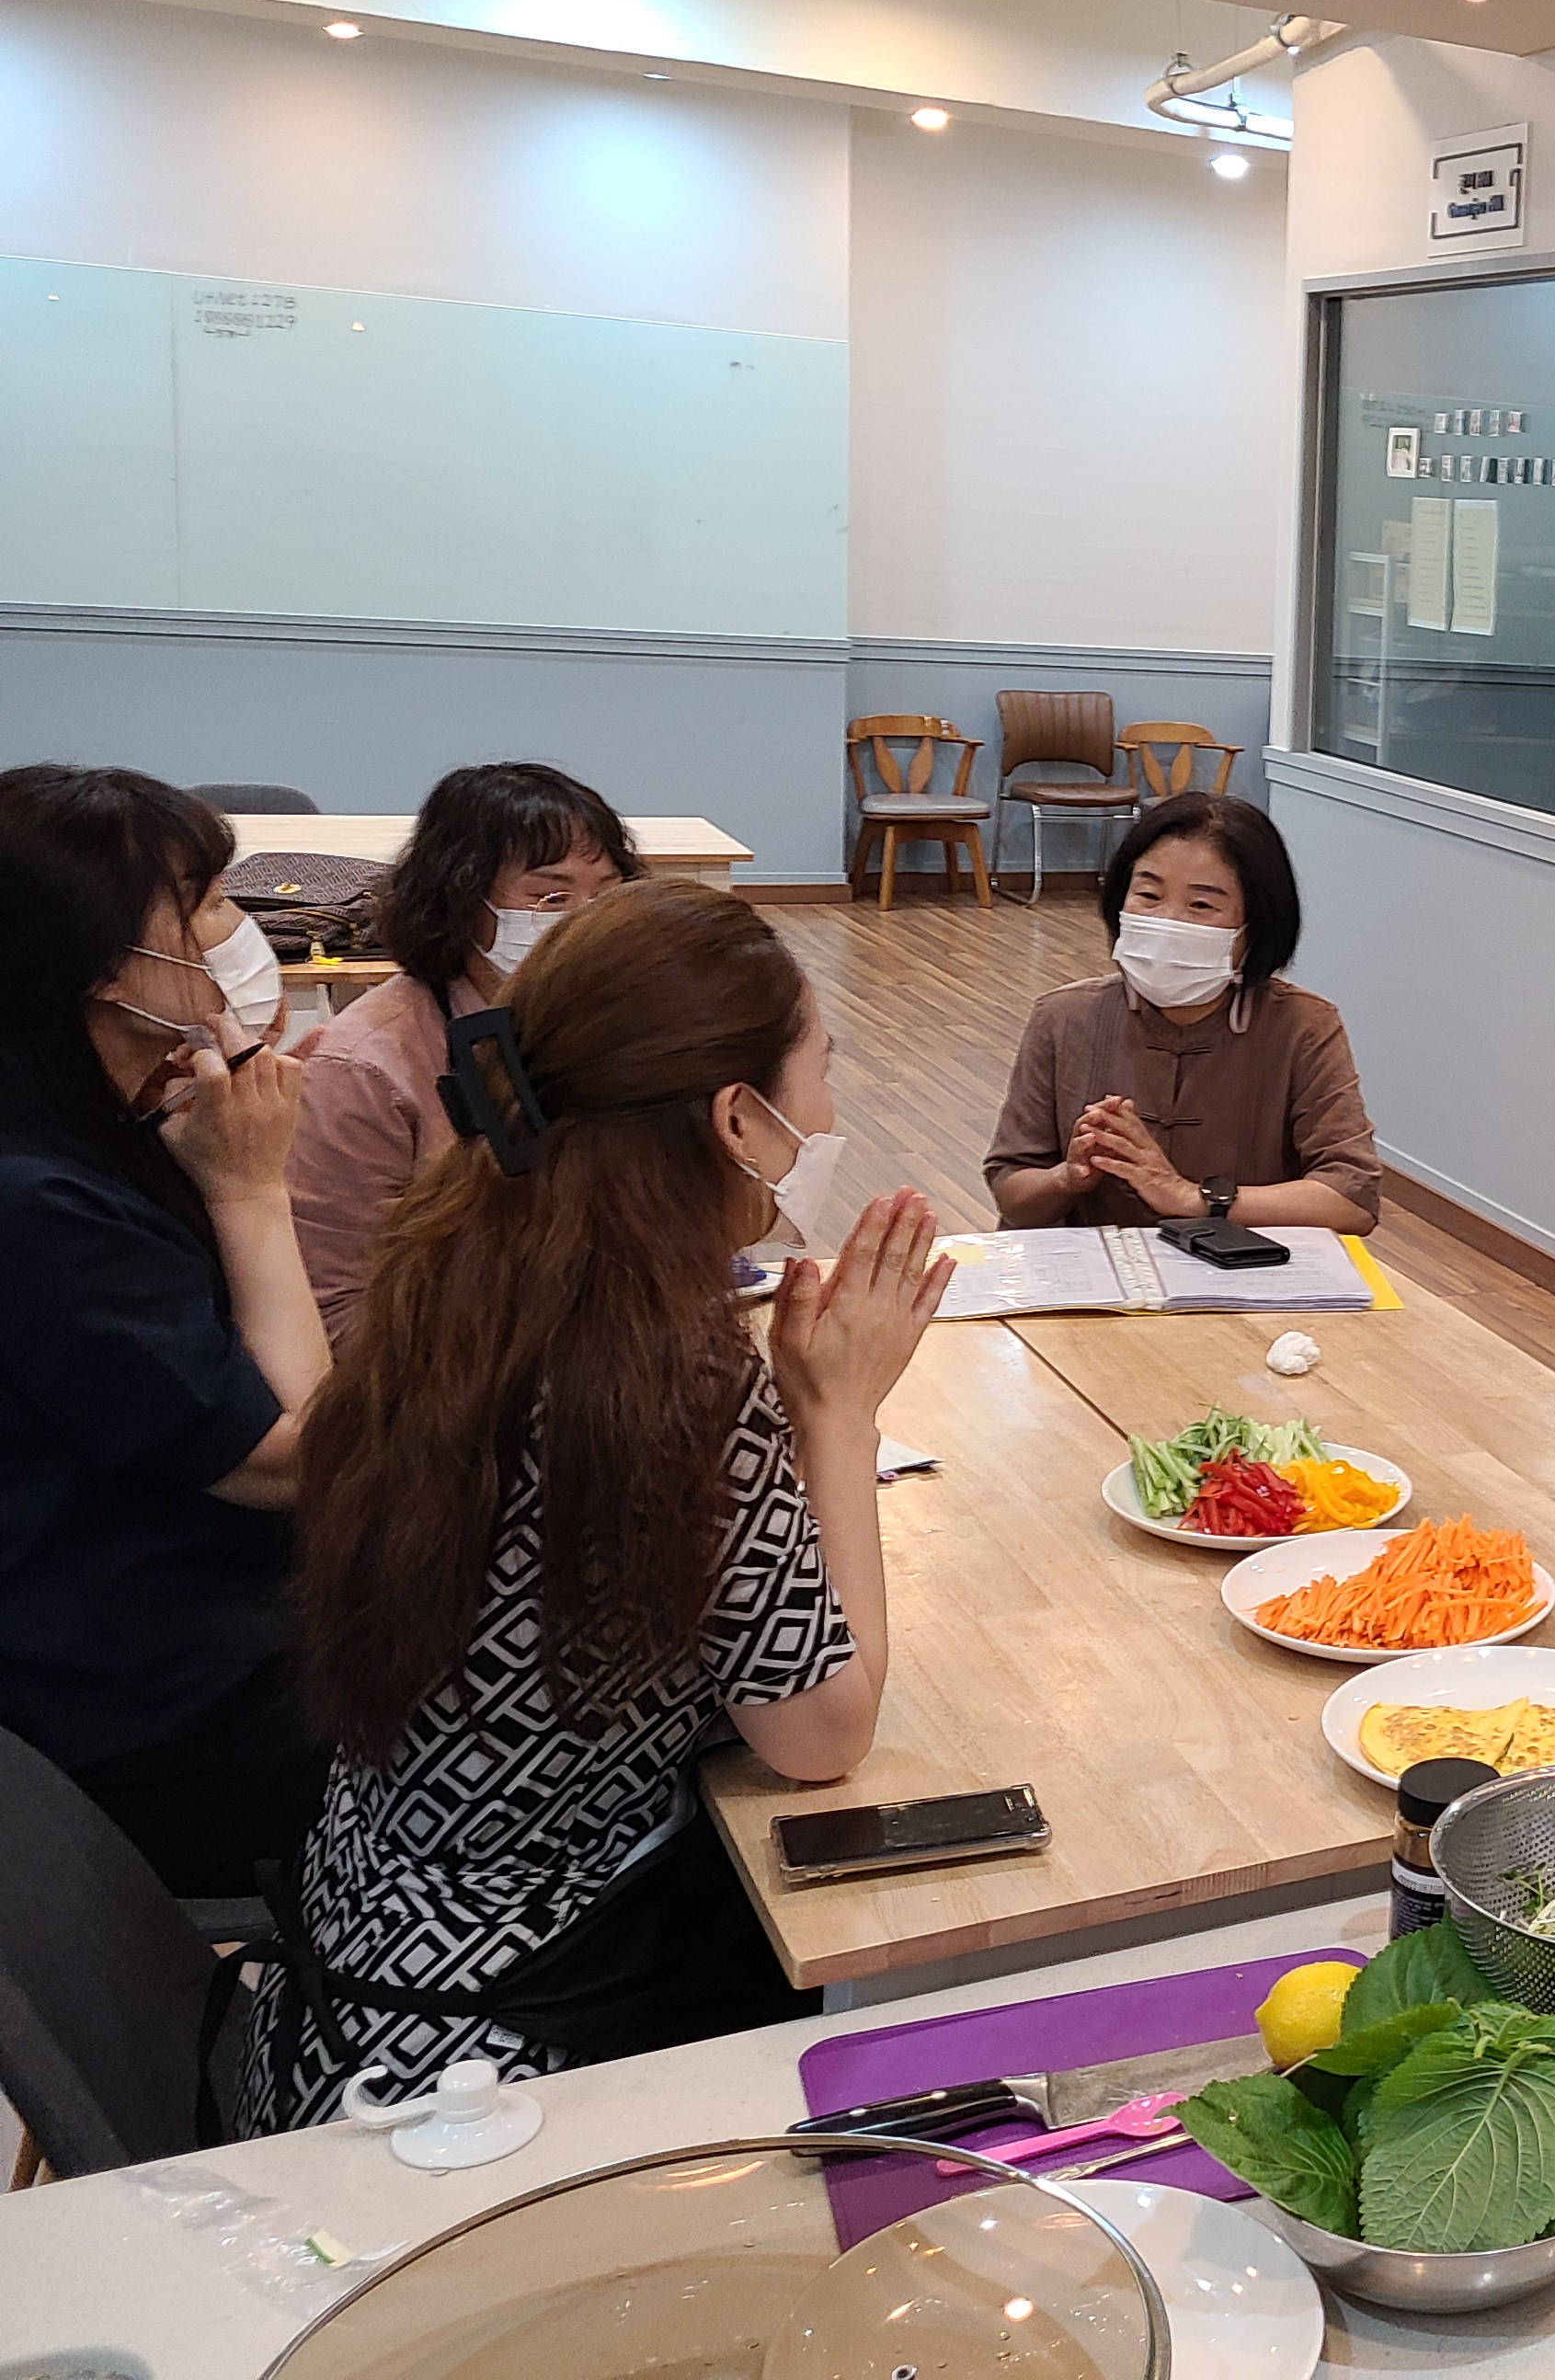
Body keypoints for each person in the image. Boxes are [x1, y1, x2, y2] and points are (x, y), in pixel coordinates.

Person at [243, 882, 949, 2131]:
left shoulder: (457, 1252)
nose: (831, 1114)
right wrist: (837, 1415)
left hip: (354, 1957)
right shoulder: (666, 1370)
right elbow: (819, 1734)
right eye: (822, 1073)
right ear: (738, 1118)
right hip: (493, 2067)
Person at [0, 764, 332, 1895]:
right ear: (101, 965)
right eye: (205, 905)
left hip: (206, 1641)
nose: (238, 933)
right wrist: (253, 1191)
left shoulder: (106, 1115)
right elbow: (293, 1457)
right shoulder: (37, 1203)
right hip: (159, 1723)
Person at [287, 761, 641, 1328]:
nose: (587, 923)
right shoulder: (365, 1067)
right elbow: (335, 1306)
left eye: (606, 894)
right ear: (461, 900)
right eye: (550, 897)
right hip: (448, 1357)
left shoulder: (623, 1021)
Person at [986, 790, 1384, 1234]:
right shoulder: (1063, 1016)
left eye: (1201, 905)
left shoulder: (1303, 1026)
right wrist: (1069, 1177)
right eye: (1148, 895)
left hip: (1240, 1271)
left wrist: (1188, 1197)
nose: (1167, 921)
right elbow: (1012, 1190)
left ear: (1255, 927)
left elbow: (1351, 1200)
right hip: (1094, 1271)